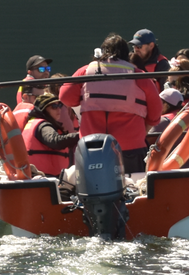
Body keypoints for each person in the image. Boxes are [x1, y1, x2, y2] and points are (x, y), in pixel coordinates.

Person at [60, 33, 162, 174]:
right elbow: (156, 112)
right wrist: (143, 128)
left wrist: (83, 100)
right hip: (131, 148)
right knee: (134, 186)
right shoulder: (139, 75)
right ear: (126, 53)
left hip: (91, 147)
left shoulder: (86, 71)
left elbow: (65, 97)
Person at [22, 92, 80, 176]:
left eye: (59, 105)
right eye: (54, 106)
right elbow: (55, 141)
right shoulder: (43, 126)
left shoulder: (34, 123)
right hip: (43, 177)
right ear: (44, 110)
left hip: (37, 176)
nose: (58, 109)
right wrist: (80, 135)